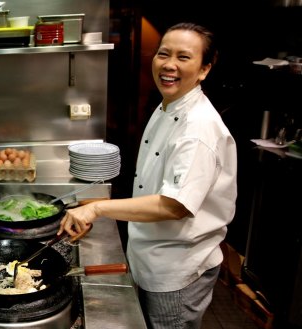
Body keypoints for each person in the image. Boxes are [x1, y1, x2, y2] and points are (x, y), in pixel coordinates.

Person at [58, 22, 237, 329]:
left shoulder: (197, 129)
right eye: (163, 54)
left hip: (177, 270)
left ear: (204, 69)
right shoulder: (168, 105)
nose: (169, 65)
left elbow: (173, 205)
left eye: (184, 57)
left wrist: (97, 208)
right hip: (153, 254)